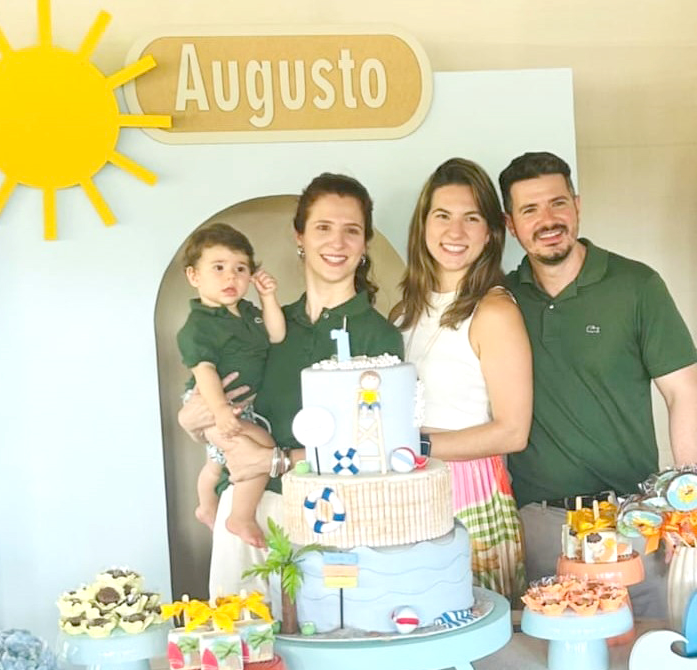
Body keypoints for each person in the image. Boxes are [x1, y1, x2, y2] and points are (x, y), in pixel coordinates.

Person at [178, 173, 404, 597]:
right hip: (250, 509)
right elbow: (212, 396)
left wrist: (277, 460)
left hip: (336, 515)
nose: (336, 242)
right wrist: (189, 417)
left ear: (364, 244)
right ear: (299, 236)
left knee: (330, 641)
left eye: (351, 230)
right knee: (245, 645)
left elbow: (381, 446)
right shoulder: (262, 326)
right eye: (323, 227)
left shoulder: (380, 337)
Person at [499, 151, 697, 616]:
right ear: (511, 225)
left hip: (634, 521)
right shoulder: (501, 300)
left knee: (647, 658)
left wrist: (686, 510)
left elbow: (683, 390)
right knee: (558, 666)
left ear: (578, 206)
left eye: (557, 204)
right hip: (542, 525)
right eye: (530, 210)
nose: (547, 220)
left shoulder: (636, 285)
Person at [390, 158, 532, 602]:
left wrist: (419, 447)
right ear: (423, 226)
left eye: (472, 218)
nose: (456, 232)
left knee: (477, 637)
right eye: (443, 216)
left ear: (491, 231)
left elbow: (513, 431)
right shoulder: (403, 311)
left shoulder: (494, 310)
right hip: (406, 487)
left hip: (469, 494)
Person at [177, 222, 286, 547]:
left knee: (217, 459)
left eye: (241, 269)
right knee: (260, 443)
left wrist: (268, 297)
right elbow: (205, 372)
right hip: (212, 402)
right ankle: (240, 516)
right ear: (194, 276)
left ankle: (207, 506)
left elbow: (277, 335)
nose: (231, 277)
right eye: (219, 268)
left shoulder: (249, 313)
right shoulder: (198, 326)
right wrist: (220, 410)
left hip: (240, 407)